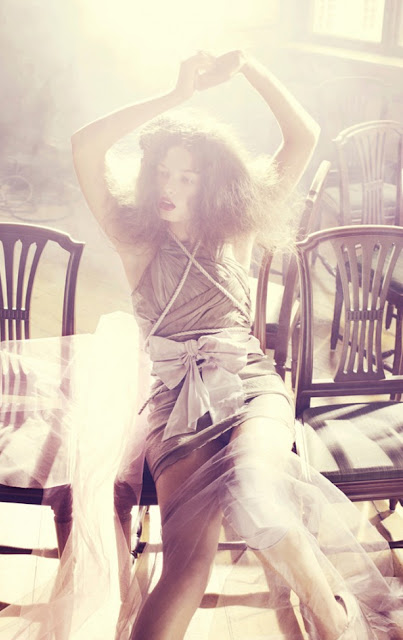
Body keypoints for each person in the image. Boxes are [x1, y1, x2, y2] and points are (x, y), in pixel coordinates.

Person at [70, 50, 402, 640]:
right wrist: (175, 97)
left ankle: (334, 622)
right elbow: (85, 145)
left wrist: (250, 68)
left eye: (187, 177)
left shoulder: (234, 229)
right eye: (163, 173)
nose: (169, 187)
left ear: (211, 183)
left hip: (249, 386)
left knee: (256, 495)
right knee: (186, 566)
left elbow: (304, 135)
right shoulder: (136, 238)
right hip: (175, 402)